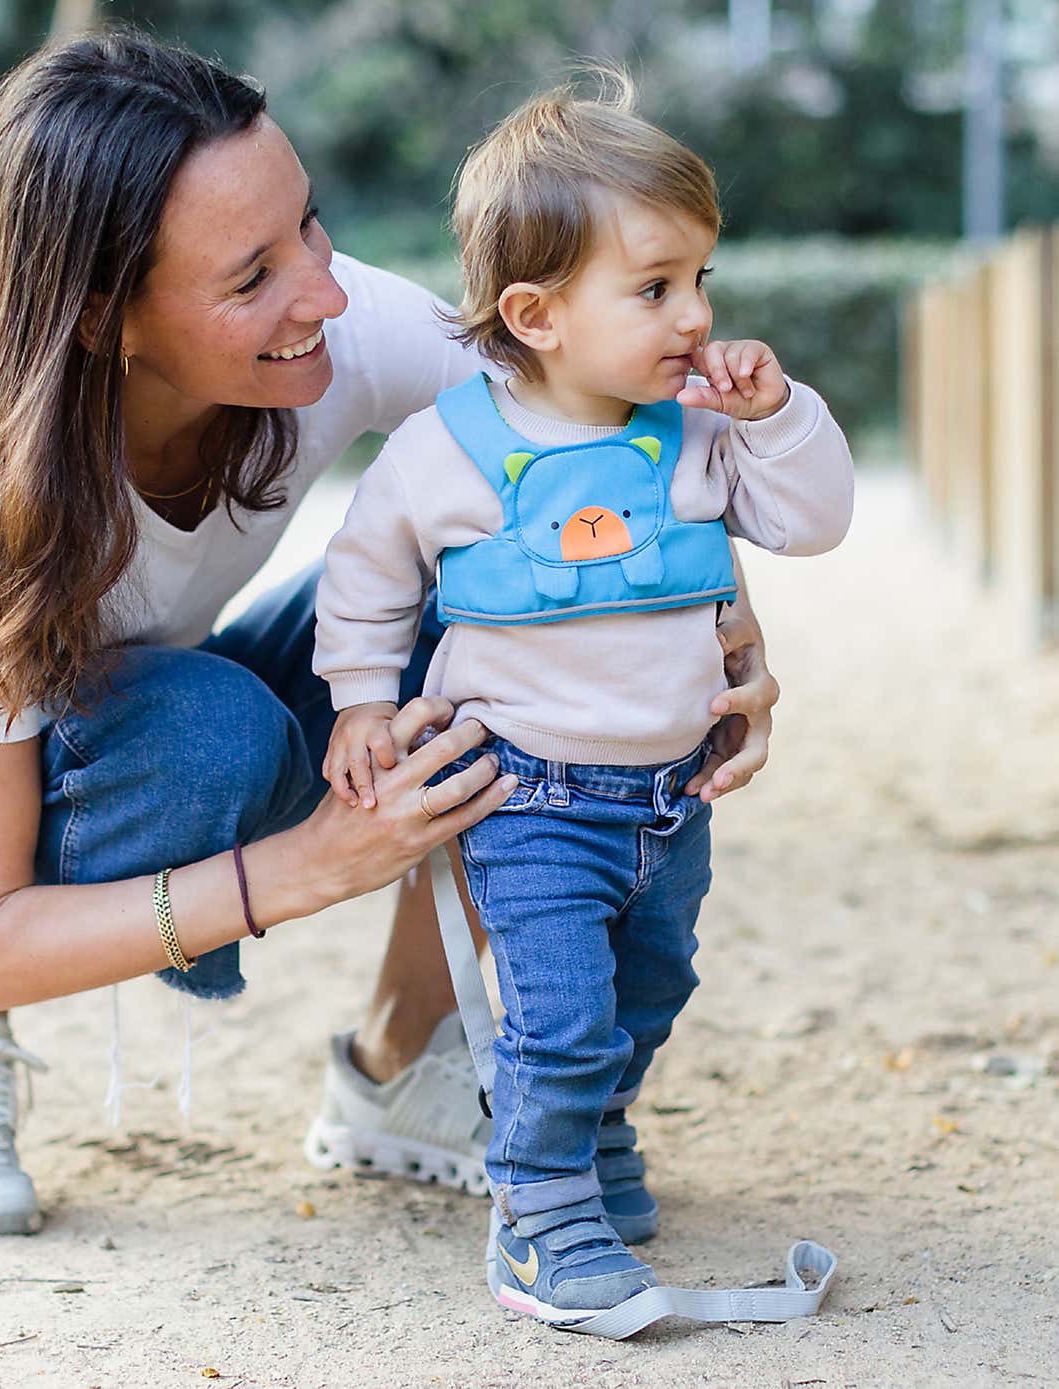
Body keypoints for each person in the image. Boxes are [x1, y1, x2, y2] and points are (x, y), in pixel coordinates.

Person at [0, 29, 781, 1240]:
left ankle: (408, 1063)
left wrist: (722, 628)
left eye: (307, 224)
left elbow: (599, 429)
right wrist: (304, 869)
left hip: (161, 691)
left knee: (472, 606)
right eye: (250, 275)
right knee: (205, 737)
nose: (322, 288)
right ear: (103, 317)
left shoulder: (335, 317)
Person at [313, 79, 853, 1325]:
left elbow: (814, 524)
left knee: (650, 991)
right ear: (537, 313)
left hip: (674, 794)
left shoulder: (704, 431)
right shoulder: (445, 450)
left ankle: (597, 1138)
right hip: (530, 794)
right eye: (656, 288)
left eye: (702, 280)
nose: (698, 316)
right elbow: (365, 575)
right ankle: (542, 1213)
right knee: (558, 1015)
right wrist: (355, 703)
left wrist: (779, 416)